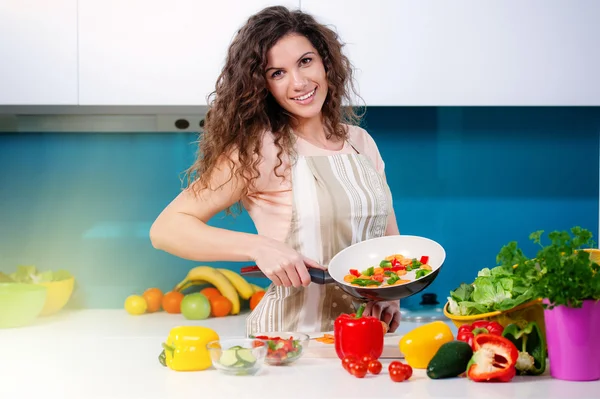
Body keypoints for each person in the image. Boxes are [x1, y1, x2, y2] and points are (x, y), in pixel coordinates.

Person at [149, 5, 401, 334]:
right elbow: (166, 229)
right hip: (288, 342)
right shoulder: (260, 151)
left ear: (326, 62)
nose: (298, 82)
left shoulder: (360, 142)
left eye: (305, 61)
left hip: (364, 338)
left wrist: (391, 294)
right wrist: (258, 247)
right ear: (263, 85)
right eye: (277, 73)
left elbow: (386, 238)